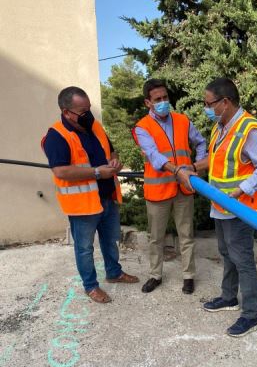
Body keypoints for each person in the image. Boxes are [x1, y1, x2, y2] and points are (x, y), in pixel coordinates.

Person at [194, 78, 257, 337]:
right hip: (220, 204)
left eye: (209, 104)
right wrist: (194, 168)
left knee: (242, 259)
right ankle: (229, 297)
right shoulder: (221, 126)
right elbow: (216, 158)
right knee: (225, 252)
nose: (207, 108)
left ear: (225, 102)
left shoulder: (250, 129)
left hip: (239, 207)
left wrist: (242, 189)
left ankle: (250, 315)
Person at [42, 86, 139, 303]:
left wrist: (115, 160)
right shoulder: (56, 136)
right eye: (82, 111)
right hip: (83, 205)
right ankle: (91, 286)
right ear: (66, 112)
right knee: (84, 248)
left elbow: (111, 150)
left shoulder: (94, 126)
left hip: (107, 197)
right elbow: (60, 170)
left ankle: (114, 273)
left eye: (88, 109)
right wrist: (97, 172)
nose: (88, 115)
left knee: (111, 240)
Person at [132, 79, 207, 294]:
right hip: (158, 191)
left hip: (184, 189)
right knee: (156, 238)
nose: (163, 102)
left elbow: (200, 142)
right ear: (148, 102)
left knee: (186, 235)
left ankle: (188, 276)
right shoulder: (142, 127)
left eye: (165, 97)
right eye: (158, 99)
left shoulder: (183, 120)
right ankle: (155, 275)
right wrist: (178, 171)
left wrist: (197, 168)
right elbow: (154, 156)